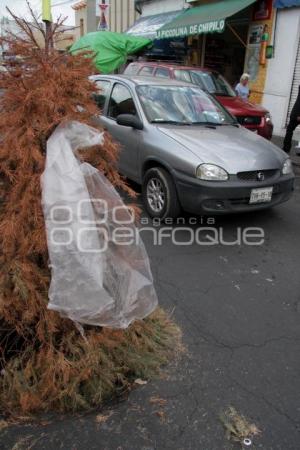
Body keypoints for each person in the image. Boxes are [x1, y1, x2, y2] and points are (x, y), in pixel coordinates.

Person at [283, 85, 300, 153]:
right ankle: (286, 148)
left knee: (289, 130)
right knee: (289, 130)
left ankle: (286, 148)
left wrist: (298, 114)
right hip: (296, 114)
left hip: (296, 115)